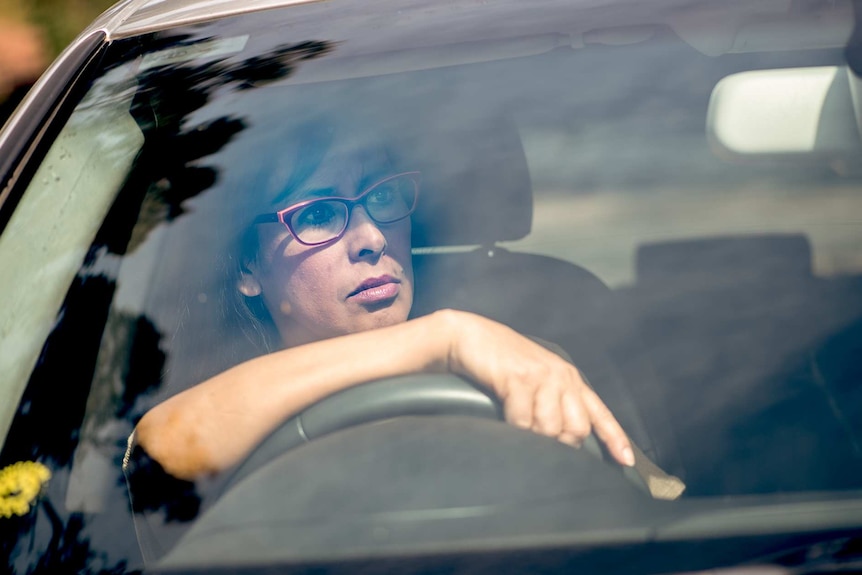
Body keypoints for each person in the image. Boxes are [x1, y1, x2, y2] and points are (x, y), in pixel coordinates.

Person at [128, 120, 636, 488]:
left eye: (385, 198)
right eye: (320, 213)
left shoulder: (523, 365)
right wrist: (442, 337)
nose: (372, 236)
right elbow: (160, 451)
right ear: (247, 271)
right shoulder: (220, 409)